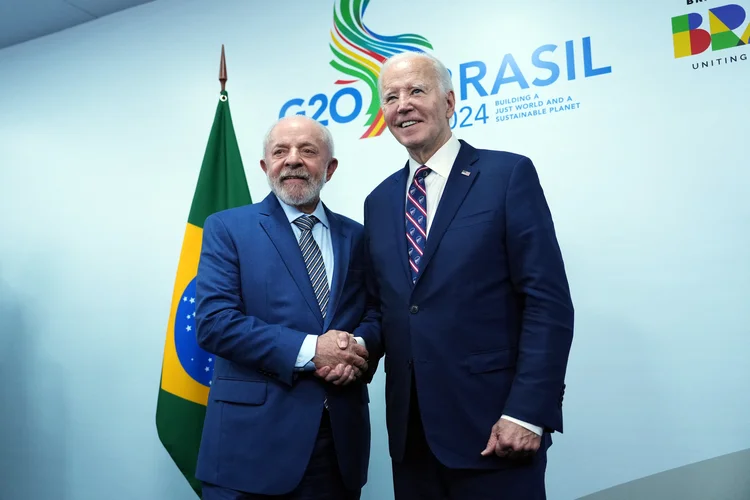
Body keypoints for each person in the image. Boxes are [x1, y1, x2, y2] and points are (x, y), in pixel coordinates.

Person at [361, 51, 575, 499]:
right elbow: (390, 309)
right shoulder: (377, 202)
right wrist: (352, 349)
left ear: (449, 101)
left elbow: (546, 301)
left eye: (417, 91)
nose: (403, 105)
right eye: (391, 97)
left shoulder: (506, 174)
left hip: (495, 430)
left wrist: (527, 412)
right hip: (412, 439)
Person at [194, 115, 382, 500]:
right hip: (250, 450)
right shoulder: (227, 228)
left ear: (330, 167)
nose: (293, 160)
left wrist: (357, 351)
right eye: (280, 151)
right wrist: (315, 350)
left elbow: (376, 313)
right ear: (265, 166)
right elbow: (214, 323)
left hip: (338, 447)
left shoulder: (358, 235)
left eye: (308, 151)